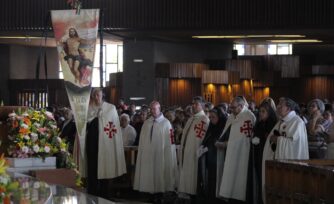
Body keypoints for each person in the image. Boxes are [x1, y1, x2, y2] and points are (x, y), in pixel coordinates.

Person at [262, 97, 309, 203]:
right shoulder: (280, 122)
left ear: (288, 108)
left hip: (290, 165)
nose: (278, 107)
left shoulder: (297, 122)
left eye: (280, 105)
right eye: (278, 105)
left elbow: (296, 145)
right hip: (276, 164)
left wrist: (278, 140)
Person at [85, 88, 126, 198]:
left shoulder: (110, 108)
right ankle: (92, 194)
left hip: (106, 144)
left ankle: (104, 194)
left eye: (99, 95)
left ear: (102, 95)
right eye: (95, 95)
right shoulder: (88, 108)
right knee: (92, 168)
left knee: (105, 168)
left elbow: (114, 127)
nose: (97, 97)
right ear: (93, 96)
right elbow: (85, 125)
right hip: (92, 143)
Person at [134, 101, 178, 202]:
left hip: (161, 154)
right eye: (151, 109)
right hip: (148, 155)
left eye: (154, 109)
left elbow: (170, 142)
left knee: (160, 174)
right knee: (149, 173)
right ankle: (150, 193)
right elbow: (142, 140)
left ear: (159, 109)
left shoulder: (166, 123)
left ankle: (159, 194)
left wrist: (168, 154)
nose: (152, 111)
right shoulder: (147, 123)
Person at [216, 96, 256, 203]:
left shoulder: (248, 117)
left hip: (242, 154)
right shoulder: (232, 116)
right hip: (229, 152)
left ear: (241, 106)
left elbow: (245, 140)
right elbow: (226, 131)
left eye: (233, 108)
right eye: (230, 108)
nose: (231, 110)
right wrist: (221, 141)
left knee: (239, 181)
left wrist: (227, 144)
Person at [178, 96, 209, 200]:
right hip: (186, 152)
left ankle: (194, 196)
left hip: (195, 154)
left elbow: (201, 139)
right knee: (187, 176)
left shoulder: (204, 120)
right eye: (193, 103)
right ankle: (188, 195)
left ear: (203, 106)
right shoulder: (191, 118)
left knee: (193, 178)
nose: (193, 106)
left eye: (196, 104)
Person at [197, 107, 227, 203]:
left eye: (213, 117)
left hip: (219, 160)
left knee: (218, 180)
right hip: (210, 159)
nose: (211, 119)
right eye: (210, 117)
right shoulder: (211, 126)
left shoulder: (223, 127)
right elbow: (207, 139)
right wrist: (203, 147)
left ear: (219, 117)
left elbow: (222, 142)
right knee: (210, 180)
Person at [250, 101, 277, 204]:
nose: (260, 113)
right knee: (259, 179)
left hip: (267, 156)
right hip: (258, 155)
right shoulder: (260, 123)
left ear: (269, 112)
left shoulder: (273, 124)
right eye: (260, 111)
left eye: (263, 111)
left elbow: (271, 140)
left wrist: (260, 140)